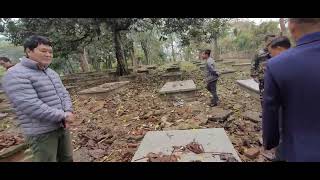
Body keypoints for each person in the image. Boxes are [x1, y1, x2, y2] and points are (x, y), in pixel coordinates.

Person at [2, 35, 75, 162]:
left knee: (67, 158)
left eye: (50, 52)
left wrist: (68, 111)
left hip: (62, 126)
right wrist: (63, 116)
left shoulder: (51, 72)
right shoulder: (15, 74)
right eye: (43, 51)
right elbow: (31, 105)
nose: (48, 55)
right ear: (28, 51)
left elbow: (64, 93)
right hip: (41, 132)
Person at [263, 18, 320, 162]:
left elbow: (270, 110)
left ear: (292, 26)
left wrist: (270, 142)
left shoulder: (277, 65)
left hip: (299, 151)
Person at [266, 36, 291, 162]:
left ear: (280, 49)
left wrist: (269, 140)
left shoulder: (278, 65)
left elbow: (270, 105)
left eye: (271, 53)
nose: (271, 56)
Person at [250, 35, 276, 107]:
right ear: (266, 41)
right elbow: (253, 64)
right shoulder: (259, 52)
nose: (272, 42)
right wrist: (254, 76)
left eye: (274, 40)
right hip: (263, 78)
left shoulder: (277, 51)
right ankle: (264, 112)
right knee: (263, 96)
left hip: (275, 78)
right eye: (270, 41)